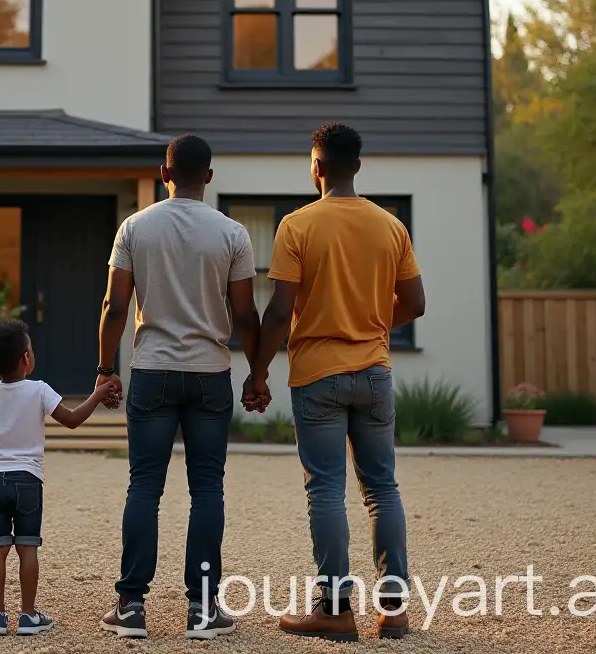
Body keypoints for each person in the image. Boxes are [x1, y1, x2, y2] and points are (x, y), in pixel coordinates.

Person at [248, 122, 426, 642]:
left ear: (317, 167)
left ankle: (334, 610)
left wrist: (258, 372)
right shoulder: (391, 226)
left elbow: (279, 311)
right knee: (382, 487)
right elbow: (414, 304)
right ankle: (393, 610)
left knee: (325, 488)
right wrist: (368, 325)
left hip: (318, 375)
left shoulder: (296, 226)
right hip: (374, 372)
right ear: (358, 166)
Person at [96, 134, 266, 641]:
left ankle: (131, 606)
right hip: (211, 373)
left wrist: (106, 370)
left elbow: (115, 307)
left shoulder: (134, 227)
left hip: (152, 370)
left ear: (163, 173)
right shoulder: (232, 233)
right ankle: (203, 609)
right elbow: (246, 314)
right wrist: (257, 374)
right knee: (207, 488)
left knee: (144, 487)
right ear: (209, 177)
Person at [0, 319, 120, 636]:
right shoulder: (39, 390)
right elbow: (72, 420)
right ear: (25, 358)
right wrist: (97, 394)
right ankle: (28, 615)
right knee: (27, 548)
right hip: (27, 480)